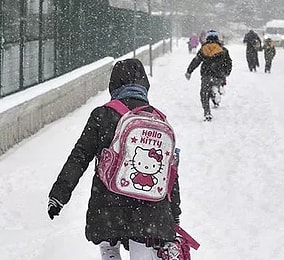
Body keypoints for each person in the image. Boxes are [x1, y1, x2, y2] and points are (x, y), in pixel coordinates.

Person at [47, 58, 182, 259]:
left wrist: (59, 195)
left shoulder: (102, 115)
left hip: (108, 203)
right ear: (144, 84)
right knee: (143, 250)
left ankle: (110, 252)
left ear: (114, 84)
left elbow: (80, 156)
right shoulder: (158, 119)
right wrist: (174, 212)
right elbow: (169, 172)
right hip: (150, 210)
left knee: (109, 246)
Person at [185, 30, 233, 121]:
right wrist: (226, 72)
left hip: (206, 74)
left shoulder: (203, 49)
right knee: (215, 86)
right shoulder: (223, 50)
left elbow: (196, 61)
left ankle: (207, 113)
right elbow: (229, 63)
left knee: (204, 93)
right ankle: (216, 92)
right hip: (218, 75)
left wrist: (189, 71)